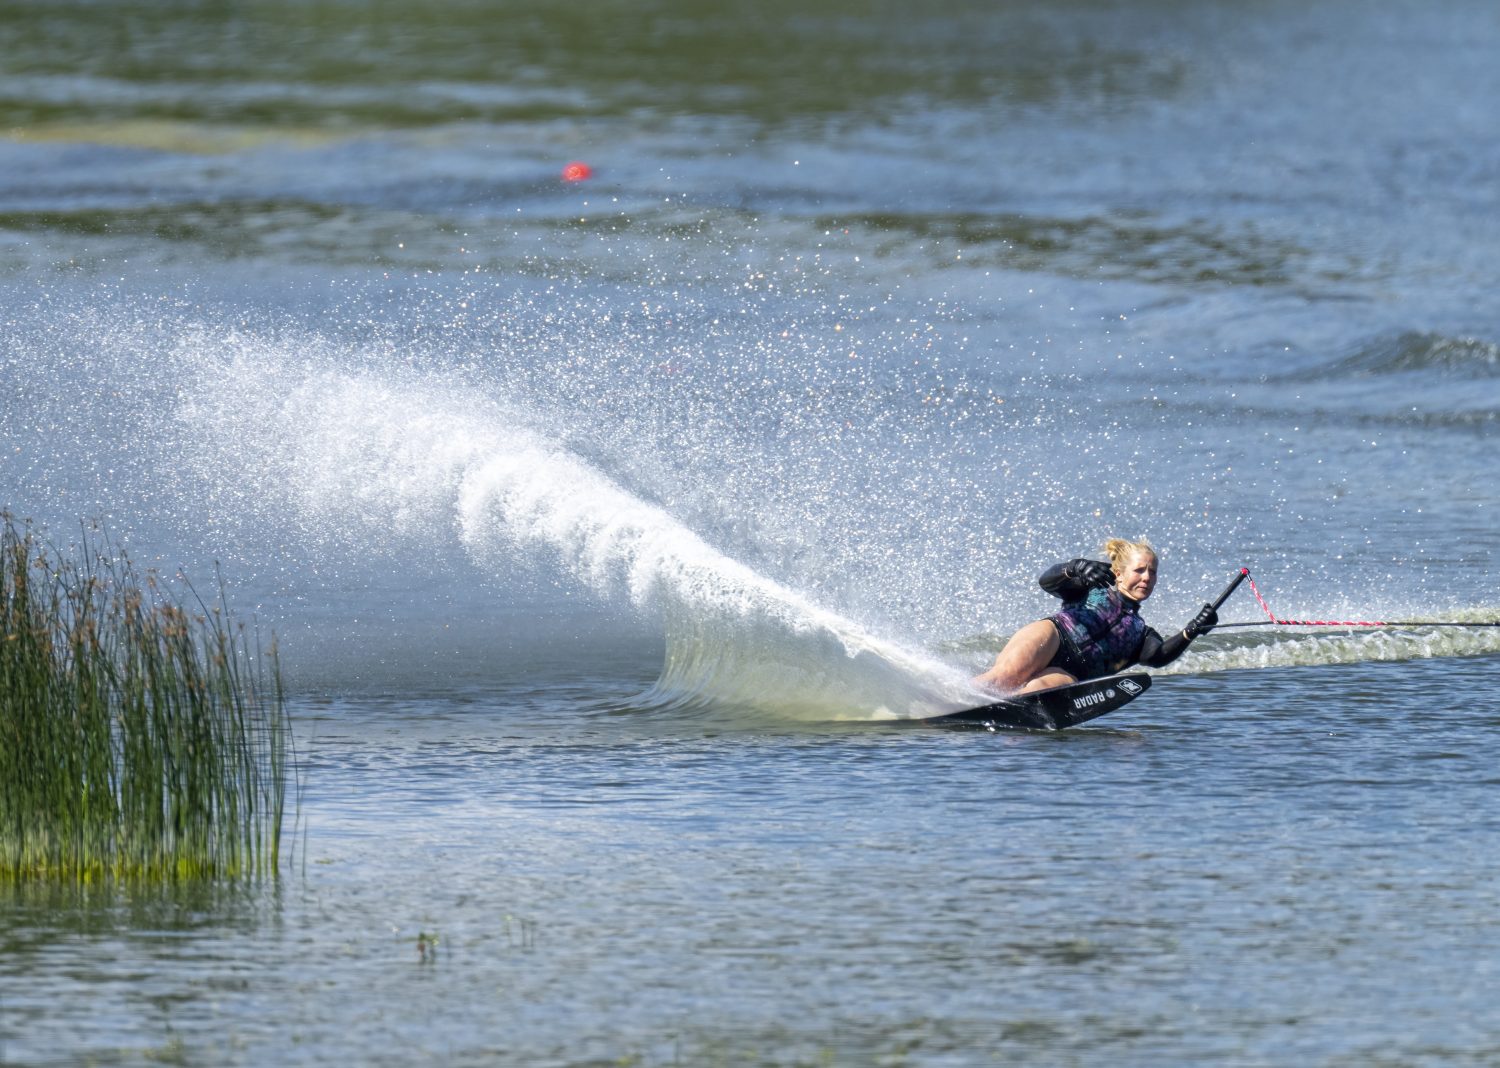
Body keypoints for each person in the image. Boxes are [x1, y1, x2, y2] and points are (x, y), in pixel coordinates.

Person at [973, 538, 1218, 694]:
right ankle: (946, 700)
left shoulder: (1141, 633)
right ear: (1119, 574)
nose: (1146, 577)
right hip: (1054, 636)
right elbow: (1047, 582)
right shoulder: (1092, 588)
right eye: (1140, 570)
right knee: (1005, 678)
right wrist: (1075, 568)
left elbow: (1157, 657)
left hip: (1071, 674)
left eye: (1152, 573)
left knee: (1035, 694)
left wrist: (1192, 631)